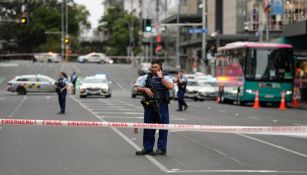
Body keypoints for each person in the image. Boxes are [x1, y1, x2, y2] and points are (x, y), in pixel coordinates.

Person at [135, 59, 174, 156]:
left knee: (163, 127)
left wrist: (161, 78)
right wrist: (145, 89)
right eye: (152, 67)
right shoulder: (146, 77)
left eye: (155, 67)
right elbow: (137, 88)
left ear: (160, 67)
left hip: (162, 105)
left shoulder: (166, 77)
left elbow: (170, 86)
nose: (153, 69)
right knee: (148, 127)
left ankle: (161, 149)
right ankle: (147, 148)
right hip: (150, 105)